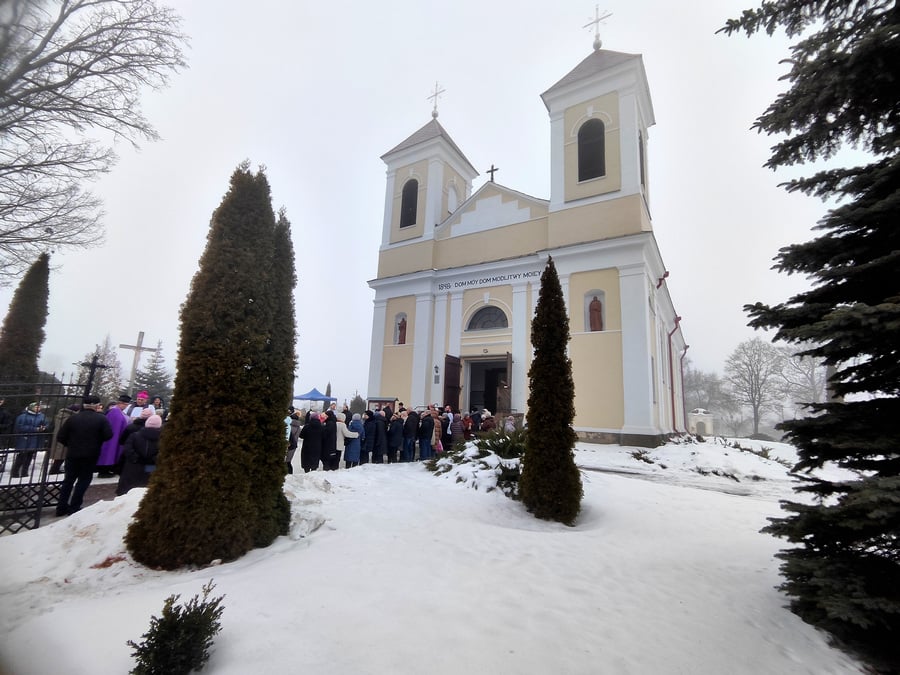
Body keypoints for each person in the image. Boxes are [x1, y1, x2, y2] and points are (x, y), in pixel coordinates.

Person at [55, 395, 113, 516]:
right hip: (91, 454)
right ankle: (75, 506)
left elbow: (60, 437)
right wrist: (97, 441)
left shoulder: (72, 419)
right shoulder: (101, 419)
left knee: (68, 480)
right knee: (84, 480)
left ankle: (61, 507)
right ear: (97, 406)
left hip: (73, 453)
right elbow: (108, 435)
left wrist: (70, 444)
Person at [116, 414, 162, 495]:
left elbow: (127, 449)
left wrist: (136, 458)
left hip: (134, 466)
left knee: (128, 490)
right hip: (152, 466)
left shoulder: (134, 436)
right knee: (148, 487)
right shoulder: (163, 438)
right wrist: (153, 460)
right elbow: (163, 452)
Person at [96, 394, 131, 477]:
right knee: (109, 452)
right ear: (121, 403)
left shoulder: (116, 411)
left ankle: (107, 469)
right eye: (126, 405)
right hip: (113, 438)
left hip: (115, 437)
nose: (126, 407)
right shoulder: (115, 412)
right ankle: (104, 471)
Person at [11, 402, 48, 478]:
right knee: (22, 456)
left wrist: (44, 427)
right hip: (25, 438)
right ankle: (15, 472)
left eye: (39, 407)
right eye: (36, 407)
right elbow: (20, 427)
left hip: (35, 439)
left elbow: (47, 423)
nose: (38, 408)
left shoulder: (42, 416)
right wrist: (35, 429)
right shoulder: (23, 416)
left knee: (30, 456)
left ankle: (25, 472)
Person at [48, 404, 80, 474]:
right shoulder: (70, 417)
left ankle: (54, 469)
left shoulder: (59, 416)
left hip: (58, 437)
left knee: (60, 456)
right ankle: (54, 470)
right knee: (63, 455)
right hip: (66, 437)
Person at [285, 408, 302, 474]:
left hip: (288, 444)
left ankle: (288, 473)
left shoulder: (289, 426)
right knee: (289, 460)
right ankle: (290, 473)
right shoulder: (298, 427)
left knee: (286, 461)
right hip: (294, 445)